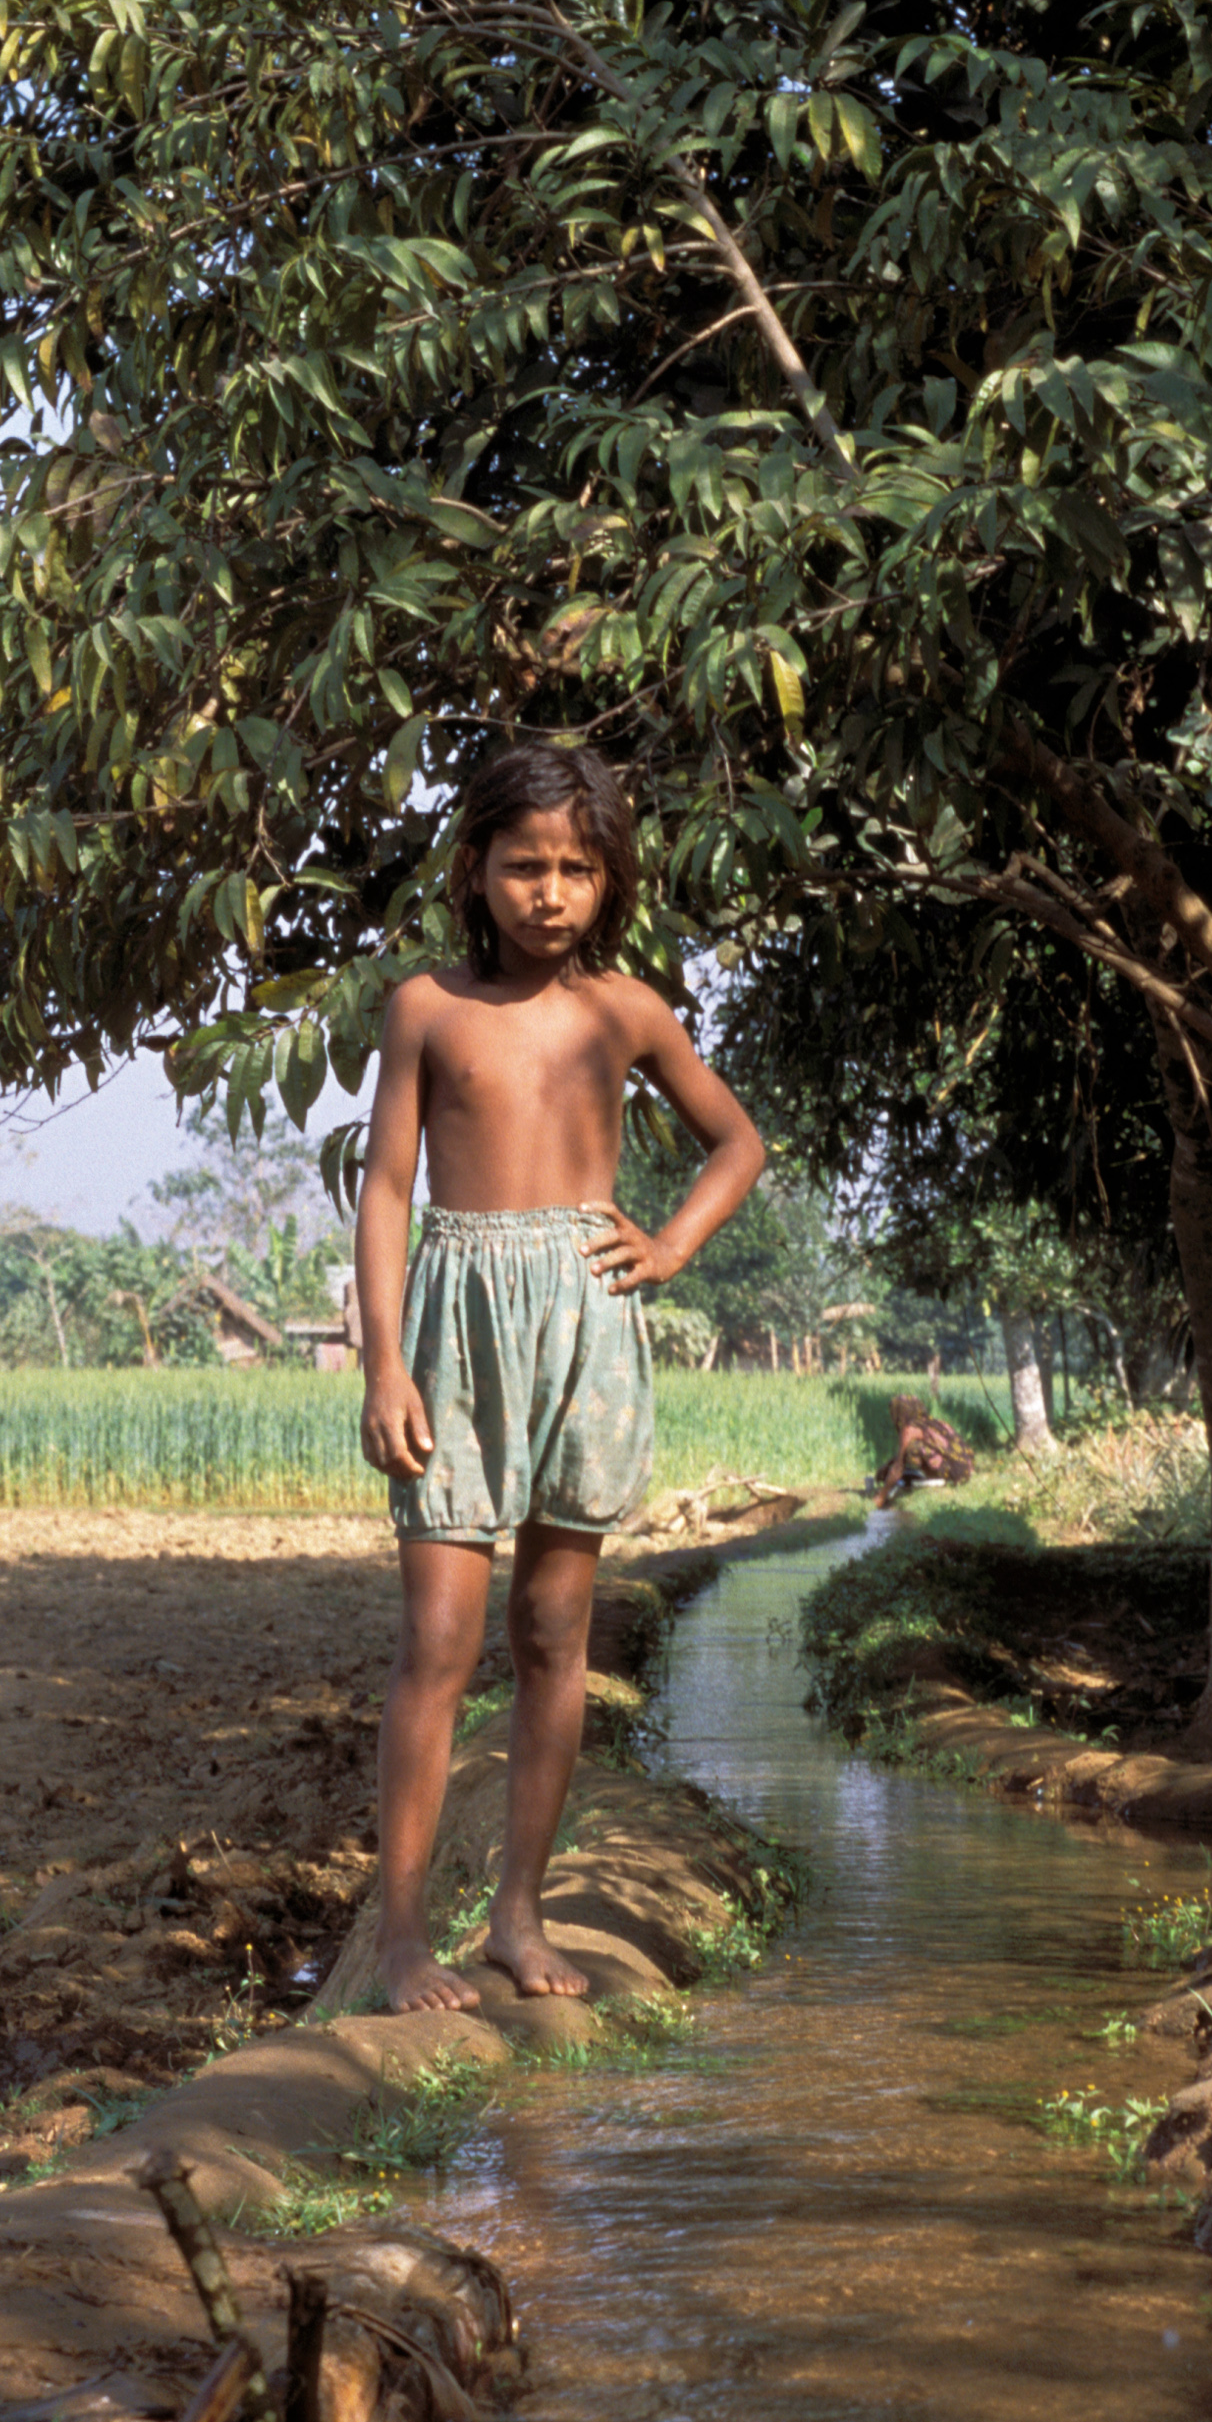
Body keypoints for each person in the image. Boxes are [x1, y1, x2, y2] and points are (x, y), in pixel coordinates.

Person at [355, 740, 765, 2012]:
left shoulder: (625, 1010)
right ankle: (404, 1935)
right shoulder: (426, 1005)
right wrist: (382, 1362)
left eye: (576, 869)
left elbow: (736, 1140)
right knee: (438, 1637)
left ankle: (518, 1917)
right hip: (455, 1320)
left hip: (587, 1320)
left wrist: (671, 1243)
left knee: (553, 1631)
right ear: (474, 870)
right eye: (524, 865)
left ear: (609, 881)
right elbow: (385, 1186)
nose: (550, 891)